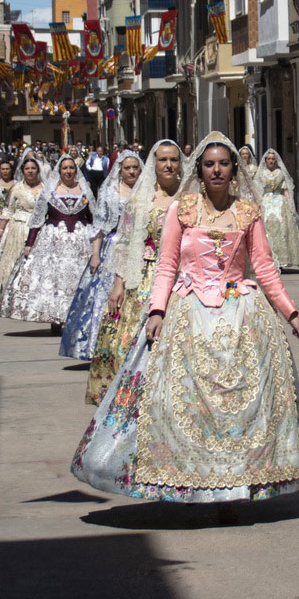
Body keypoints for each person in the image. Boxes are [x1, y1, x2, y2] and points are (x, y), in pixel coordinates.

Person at [71, 132, 299, 524]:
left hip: (241, 315)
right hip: (188, 313)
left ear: (234, 170)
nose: (216, 170)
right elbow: (167, 264)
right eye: (209, 164)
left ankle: (234, 488)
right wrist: (157, 311)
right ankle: (189, 481)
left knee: (240, 408)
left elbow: (264, 267)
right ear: (199, 170)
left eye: (223, 164)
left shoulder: (248, 212)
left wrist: (291, 313)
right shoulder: (182, 210)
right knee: (184, 402)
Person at [83, 140, 183, 406]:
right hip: (144, 274)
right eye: (163, 160)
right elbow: (126, 242)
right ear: (154, 163)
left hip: (181, 276)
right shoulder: (140, 197)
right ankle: (135, 397)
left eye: (174, 160)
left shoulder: (190, 196)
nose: (168, 165)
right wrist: (119, 283)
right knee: (131, 337)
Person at [59, 152, 141, 360]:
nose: (132, 172)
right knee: (105, 298)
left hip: (139, 248)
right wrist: (95, 254)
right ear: (120, 170)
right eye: (127, 168)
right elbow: (99, 227)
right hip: (113, 248)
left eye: (135, 167)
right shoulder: (109, 192)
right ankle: (103, 347)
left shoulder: (147, 189)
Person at [1, 155, 94, 332]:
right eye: (65, 168)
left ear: (76, 170)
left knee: (77, 279)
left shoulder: (84, 190)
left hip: (80, 242)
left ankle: (75, 317)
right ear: (59, 171)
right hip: (53, 241)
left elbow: (92, 217)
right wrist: (29, 244)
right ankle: (55, 318)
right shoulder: (50, 190)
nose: (68, 171)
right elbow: (37, 219)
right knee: (54, 279)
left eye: (71, 168)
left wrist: (97, 241)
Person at [0, 154, 46, 305]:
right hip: (17, 228)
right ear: (22, 171)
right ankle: (12, 295)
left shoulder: (45, 188)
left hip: (39, 228)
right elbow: (8, 210)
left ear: (38, 170)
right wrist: (0, 229)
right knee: (13, 263)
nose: (30, 171)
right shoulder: (16, 188)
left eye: (33, 168)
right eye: (27, 169)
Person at [257, 148, 299, 268]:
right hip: (265, 203)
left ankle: (282, 259)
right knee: (266, 230)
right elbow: (257, 191)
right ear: (265, 160)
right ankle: (267, 259)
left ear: (276, 160)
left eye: (273, 159)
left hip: (280, 203)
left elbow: (286, 190)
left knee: (282, 230)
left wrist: (291, 206)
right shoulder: (261, 173)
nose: (271, 161)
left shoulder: (281, 173)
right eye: (269, 159)